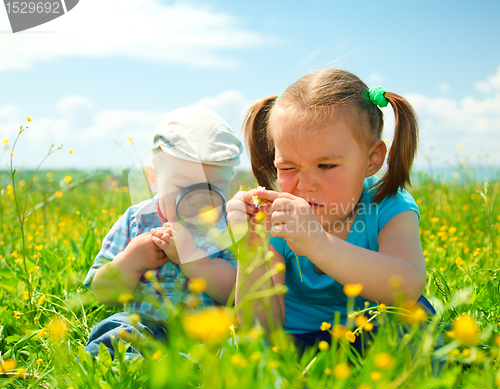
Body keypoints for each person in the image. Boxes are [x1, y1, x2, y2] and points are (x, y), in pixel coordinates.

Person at [228, 68, 443, 356]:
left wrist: (319, 245)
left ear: (371, 159)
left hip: (376, 332)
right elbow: (261, 327)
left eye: (326, 166)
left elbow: (408, 287)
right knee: (242, 350)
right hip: (297, 338)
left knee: (416, 326)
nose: (304, 186)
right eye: (288, 168)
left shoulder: (388, 205)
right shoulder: (276, 218)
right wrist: (250, 246)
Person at [83, 106, 243, 358]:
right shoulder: (135, 221)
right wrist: (130, 261)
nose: (198, 199)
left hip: (207, 332)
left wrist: (194, 259)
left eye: (214, 187)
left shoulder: (228, 226)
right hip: (145, 327)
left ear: (230, 181)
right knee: (118, 327)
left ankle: (195, 372)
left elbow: (237, 293)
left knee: (238, 342)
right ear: (153, 178)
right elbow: (102, 290)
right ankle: (129, 366)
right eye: (182, 186)